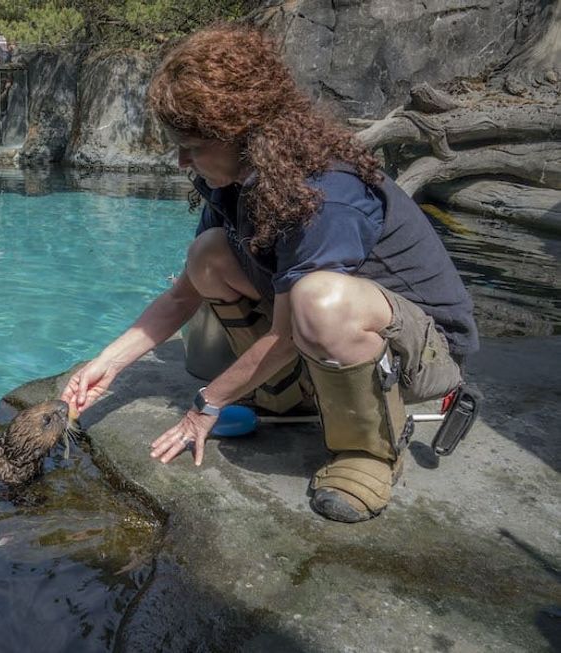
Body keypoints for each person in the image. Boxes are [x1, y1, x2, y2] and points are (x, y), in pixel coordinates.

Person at [60, 24, 478, 524]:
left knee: (319, 299)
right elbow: (181, 297)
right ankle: (281, 396)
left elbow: (287, 332)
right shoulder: (236, 179)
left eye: (191, 145)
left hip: (420, 353)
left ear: (240, 132)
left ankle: (367, 453)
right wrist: (107, 363)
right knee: (207, 254)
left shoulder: (327, 191)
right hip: (317, 334)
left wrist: (208, 402)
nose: (180, 160)